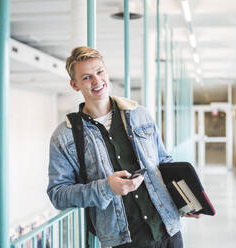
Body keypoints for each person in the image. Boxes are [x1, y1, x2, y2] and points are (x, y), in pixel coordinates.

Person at [47, 46, 199, 248]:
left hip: (168, 229)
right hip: (123, 240)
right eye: (86, 77)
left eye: (100, 72)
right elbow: (58, 194)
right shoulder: (64, 136)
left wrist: (183, 200)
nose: (96, 81)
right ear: (74, 85)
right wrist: (106, 188)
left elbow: (163, 162)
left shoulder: (140, 115)